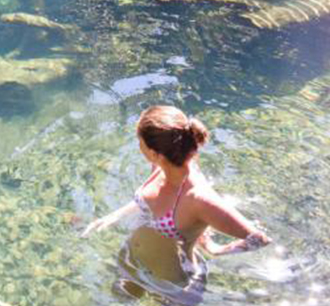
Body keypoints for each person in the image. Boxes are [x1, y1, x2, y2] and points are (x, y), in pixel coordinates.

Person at [81, 105, 271, 304]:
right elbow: (151, 201)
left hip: (172, 285)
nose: (138, 146)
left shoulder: (198, 198)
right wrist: (114, 216)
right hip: (132, 261)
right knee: (117, 299)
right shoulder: (160, 165)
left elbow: (259, 239)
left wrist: (215, 249)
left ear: (156, 153)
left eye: (140, 142)